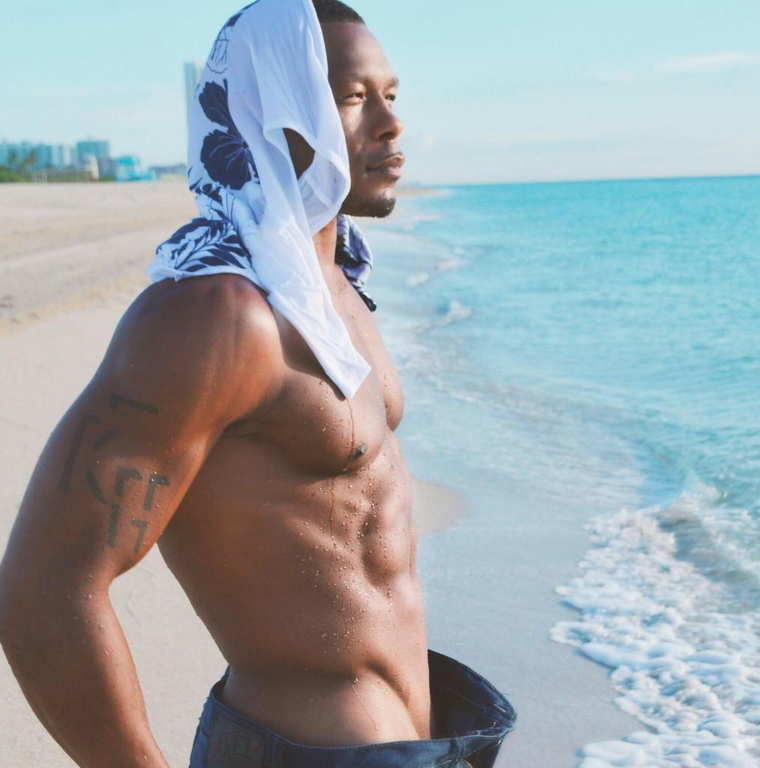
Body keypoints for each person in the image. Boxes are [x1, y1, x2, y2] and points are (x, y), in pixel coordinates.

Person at [0, 1, 515, 766]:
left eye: (391, 94)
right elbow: (44, 586)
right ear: (276, 113)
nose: (391, 123)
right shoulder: (213, 317)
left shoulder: (338, 288)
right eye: (352, 97)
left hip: (428, 736)